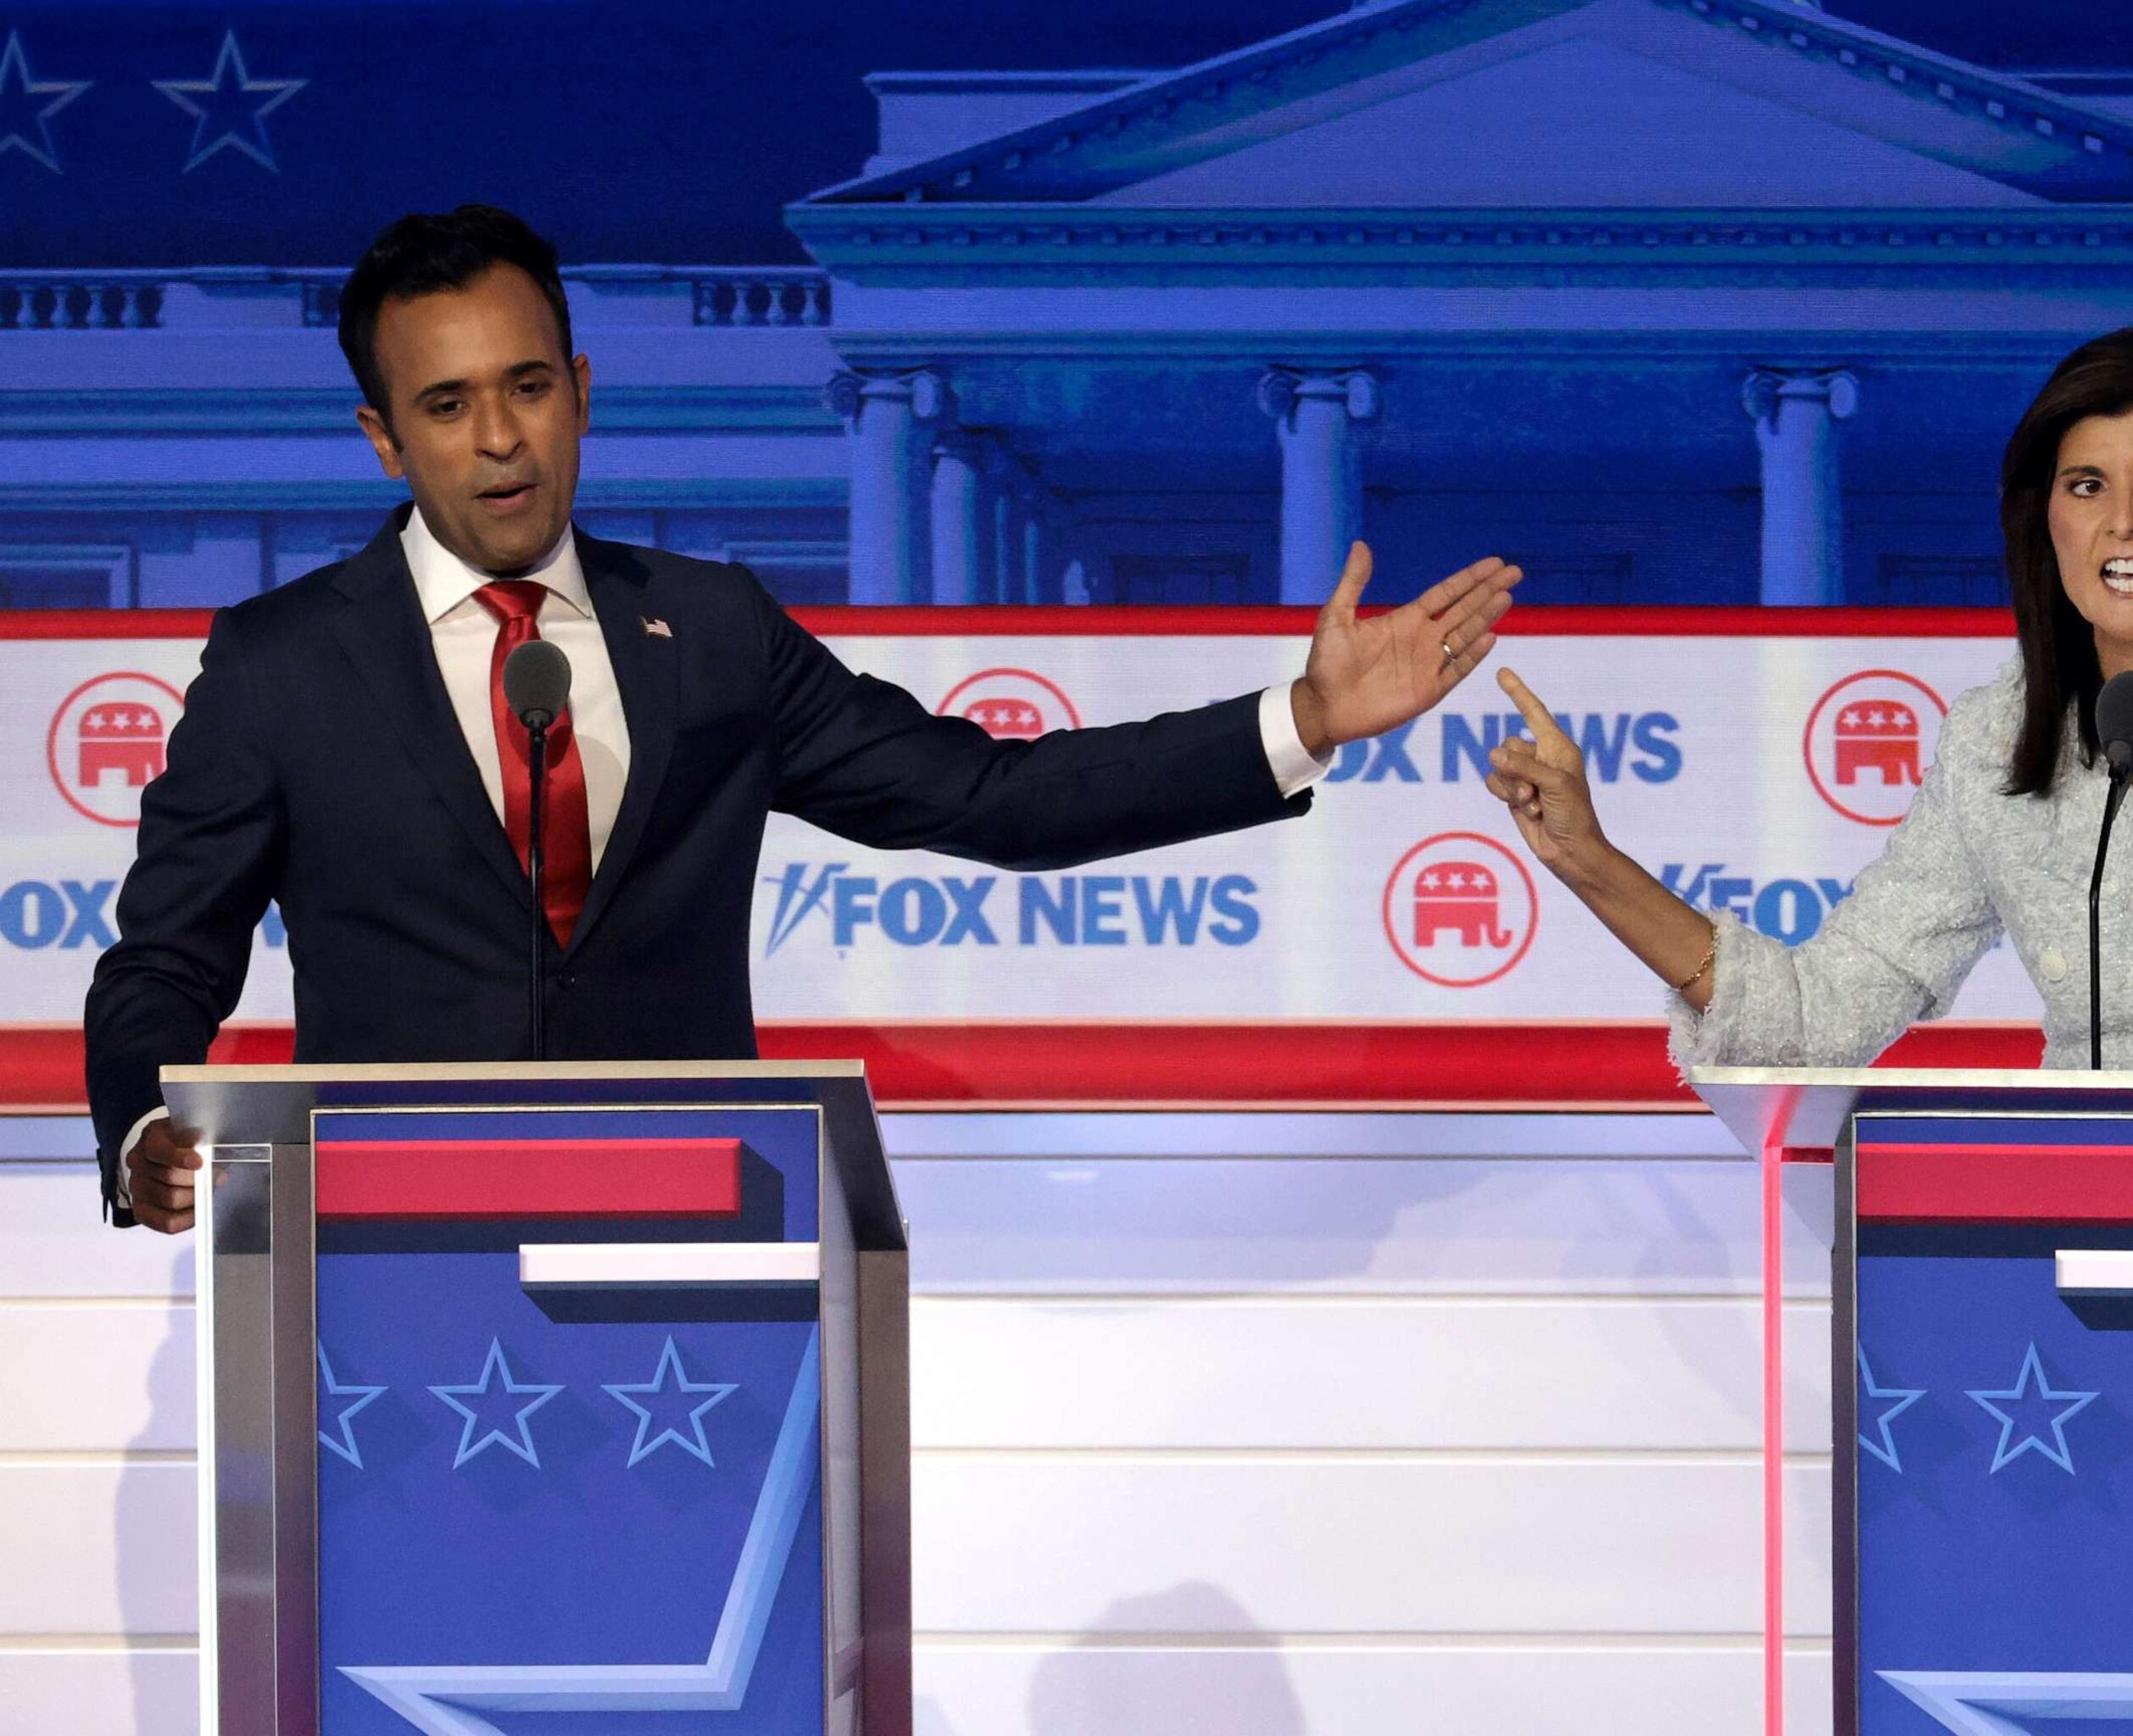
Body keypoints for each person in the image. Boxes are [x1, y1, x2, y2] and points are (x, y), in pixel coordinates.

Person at [91, 203, 1518, 1232]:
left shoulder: (709, 630)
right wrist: (145, 1125)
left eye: (529, 387)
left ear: (583, 394)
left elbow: (993, 798)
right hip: (388, 1247)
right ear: (384, 437)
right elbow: (164, 958)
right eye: (449, 404)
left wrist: (1304, 716)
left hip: (688, 1239)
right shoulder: (283, 665)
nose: (501, 439)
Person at [1484, 325, 2133, 1192]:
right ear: (2047, 523)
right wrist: (1591, 862)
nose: (2124, 522)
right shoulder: (1994, 742)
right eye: (2086, 485)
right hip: (2090, 1213)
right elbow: (1821, 1014)